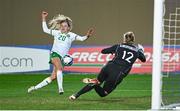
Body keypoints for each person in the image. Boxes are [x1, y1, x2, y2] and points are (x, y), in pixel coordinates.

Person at [28, 11, 94, 94]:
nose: (63, 27)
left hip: (61, 57)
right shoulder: (56, 32)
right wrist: (43, 18)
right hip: (54, 54)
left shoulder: (72, 35)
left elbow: (82, 39)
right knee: (60, 68)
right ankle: (60, 89)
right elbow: (45, 29)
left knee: (53, 77)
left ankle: (34, 88)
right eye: (62, 26)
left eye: (65, 26)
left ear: (68, 28)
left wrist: (87, 35)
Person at [69, 31, 146, 100]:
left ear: (124, 39)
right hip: (118, 72)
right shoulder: (137, 51)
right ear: (133, 39)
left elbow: (103, 51)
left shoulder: (118, 46)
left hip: (109, 67)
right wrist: (141, 50)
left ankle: (76, 95)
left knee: (97, 81)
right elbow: (143, 59)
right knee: (104, 93)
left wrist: (112, 52)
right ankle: (95, 84)